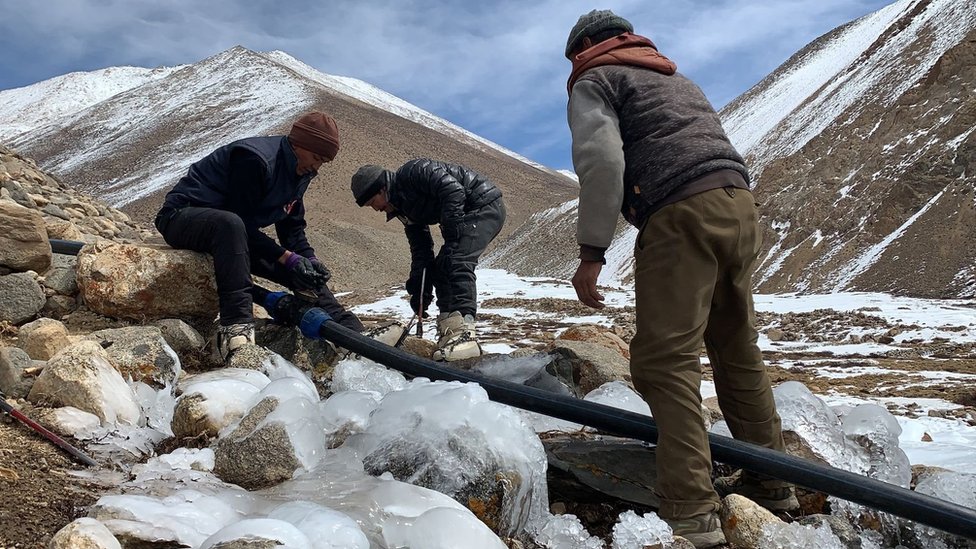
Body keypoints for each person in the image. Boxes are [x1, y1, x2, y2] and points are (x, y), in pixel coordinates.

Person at [563, 10, 797, 548]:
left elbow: (601, 161)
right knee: (735, 348)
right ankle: (774, 484)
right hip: (739, 206)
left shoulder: (596, 78)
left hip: (680, 210)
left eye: (572, 56)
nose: (572, 65)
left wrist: (592, 251)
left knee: (663, 361)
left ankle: (691, 511)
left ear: (585, 48)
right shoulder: (672, 75)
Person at [154, 111, 365, 362]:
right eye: (316, 158)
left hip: (232, 236)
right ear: (299, 144)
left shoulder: (300, 173)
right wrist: (287, 257)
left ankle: (350, 332)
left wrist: (308, 261)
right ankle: (236, 328)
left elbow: (292, 230)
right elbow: (238, 221)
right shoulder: (255, 159)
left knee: (302, 272)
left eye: (322, 162)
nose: (316, 167)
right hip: (182, 218)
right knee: (232, 226)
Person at [350, 159, 506, 361]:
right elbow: (421, 249)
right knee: (442, 267)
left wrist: (452, 231)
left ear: (381, 190)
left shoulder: (414, 172)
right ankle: (450, 332)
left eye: (372, 203)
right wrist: (419, 290)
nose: (375, 209)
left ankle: (466, 333)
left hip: (485, 205)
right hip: (466, 213)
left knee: (457, 261)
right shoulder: (403, 210)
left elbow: (454, 190)